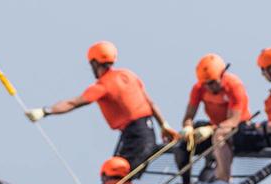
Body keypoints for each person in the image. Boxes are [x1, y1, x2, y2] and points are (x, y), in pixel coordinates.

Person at [25, 41, 177, 171]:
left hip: (135, 136)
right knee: (114, 172)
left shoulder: (103, 85)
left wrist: (45, 111)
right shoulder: (128, 75)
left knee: (115, 176)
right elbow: (150, 103)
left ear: (94, 63)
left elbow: (72, 103)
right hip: (147, 131)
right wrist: (164, 125)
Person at [197, 46, 271, 184]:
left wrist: (258, 127)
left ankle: (223, 180)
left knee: (221, 135)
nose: (262, 74)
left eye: (263, 70)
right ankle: (219, 174)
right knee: (229, 132)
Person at [165, 53, 249, 184]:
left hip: (233, 132)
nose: (208, 87)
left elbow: (233, 121)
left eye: (211, 83)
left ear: (222, 76)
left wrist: (210, 129)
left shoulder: (234, 86)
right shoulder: (199, 88)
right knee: (182, 148)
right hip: (213, 129)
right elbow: (189, 115)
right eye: (205, 84)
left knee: (214, 150)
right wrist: (188, 127)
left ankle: (216, 179)